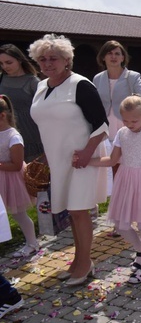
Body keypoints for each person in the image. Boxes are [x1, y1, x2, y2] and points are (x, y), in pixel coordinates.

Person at [29, 34, 108, 286]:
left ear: (67, 60)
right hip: (58, 159)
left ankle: (84, 264)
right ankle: (78, 261)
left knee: (78, 210)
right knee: (72, 212)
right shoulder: (42, 87)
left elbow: (102, 124)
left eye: (53, 58)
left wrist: (87, 152)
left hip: (81, 157)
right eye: (42, 59)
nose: (47, 63)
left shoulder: (80, 85)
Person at [85, 96, 141, 284]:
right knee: (121, 225)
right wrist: (89, 161)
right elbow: (113, 160)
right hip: (126, 181)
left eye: (134, 121)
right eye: (126, 120)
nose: (129, 124)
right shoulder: (122, 133)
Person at [93, 41, 141, 139]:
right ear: (103, 57)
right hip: (104, 128)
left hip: (127, 125)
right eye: (109, 53)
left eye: (117, 54)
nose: (113, 57)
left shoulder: (132, 77)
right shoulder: (97, 78)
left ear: (122, 58)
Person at [0, 95, 39, 258]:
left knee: (19, 213)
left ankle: (32, 243)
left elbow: (16, 165)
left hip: (12, 179)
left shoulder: (13, 136)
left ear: (2, 115)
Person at [0, 44, 44, 161]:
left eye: (9, 62)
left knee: (31, 175)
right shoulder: (1, 79)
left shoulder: (33, 82)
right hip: (5, 133)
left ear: (19, 60)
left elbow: (44, 109)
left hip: (30, 133)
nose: (5, 66)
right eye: (1, 63)